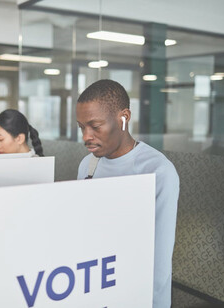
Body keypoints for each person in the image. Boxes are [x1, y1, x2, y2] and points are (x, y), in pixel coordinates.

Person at [76, 79, 179, 308]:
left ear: (124, 117)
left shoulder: (158, 171)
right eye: (82, 127)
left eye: (95, 126)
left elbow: (159, 262)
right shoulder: (87, 165)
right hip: (95, 288)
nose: (86, 137)